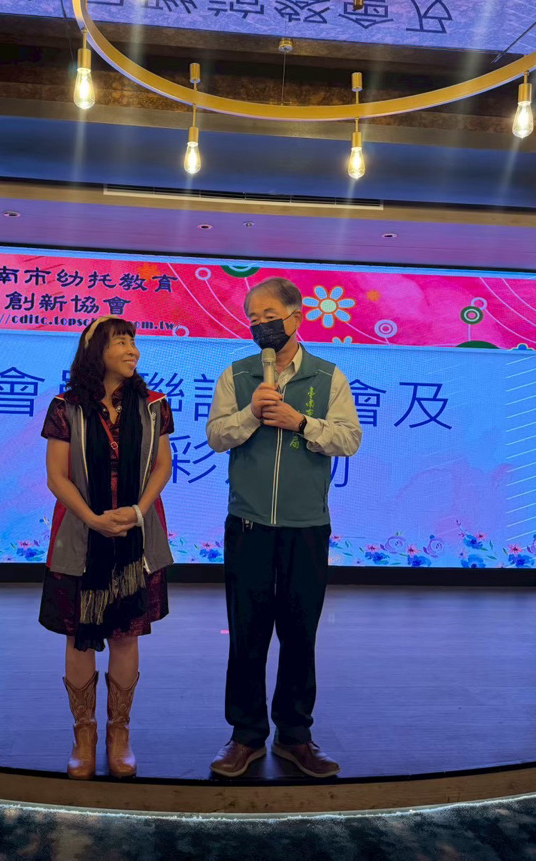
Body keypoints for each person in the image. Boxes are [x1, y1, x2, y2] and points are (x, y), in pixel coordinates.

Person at [206, 277, 362, 779]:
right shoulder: (237, 374)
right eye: (252, 319)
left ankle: (295, 735)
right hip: (248, 524)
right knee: (246, 633)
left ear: (296, 316)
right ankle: (245, 735)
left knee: (299, 633)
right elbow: (215, 436)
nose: (260, 326)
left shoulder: (327, 376)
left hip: (306, 526)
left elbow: (349, 440)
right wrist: (251, 414)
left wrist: (301, 422)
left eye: (269, 316)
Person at [40, 316, 174, 780]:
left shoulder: (154, 405)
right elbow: (57, 477)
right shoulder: (66, 407)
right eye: (121, 341)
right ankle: (84, 735)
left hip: (136, 535)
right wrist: (94, 519)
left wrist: (136, 512)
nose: (132, 349)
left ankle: (120, 735)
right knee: (79, 635)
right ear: (96, 351)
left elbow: (162, 467)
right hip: (81, 536)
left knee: (126, 634)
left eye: (134, 340)